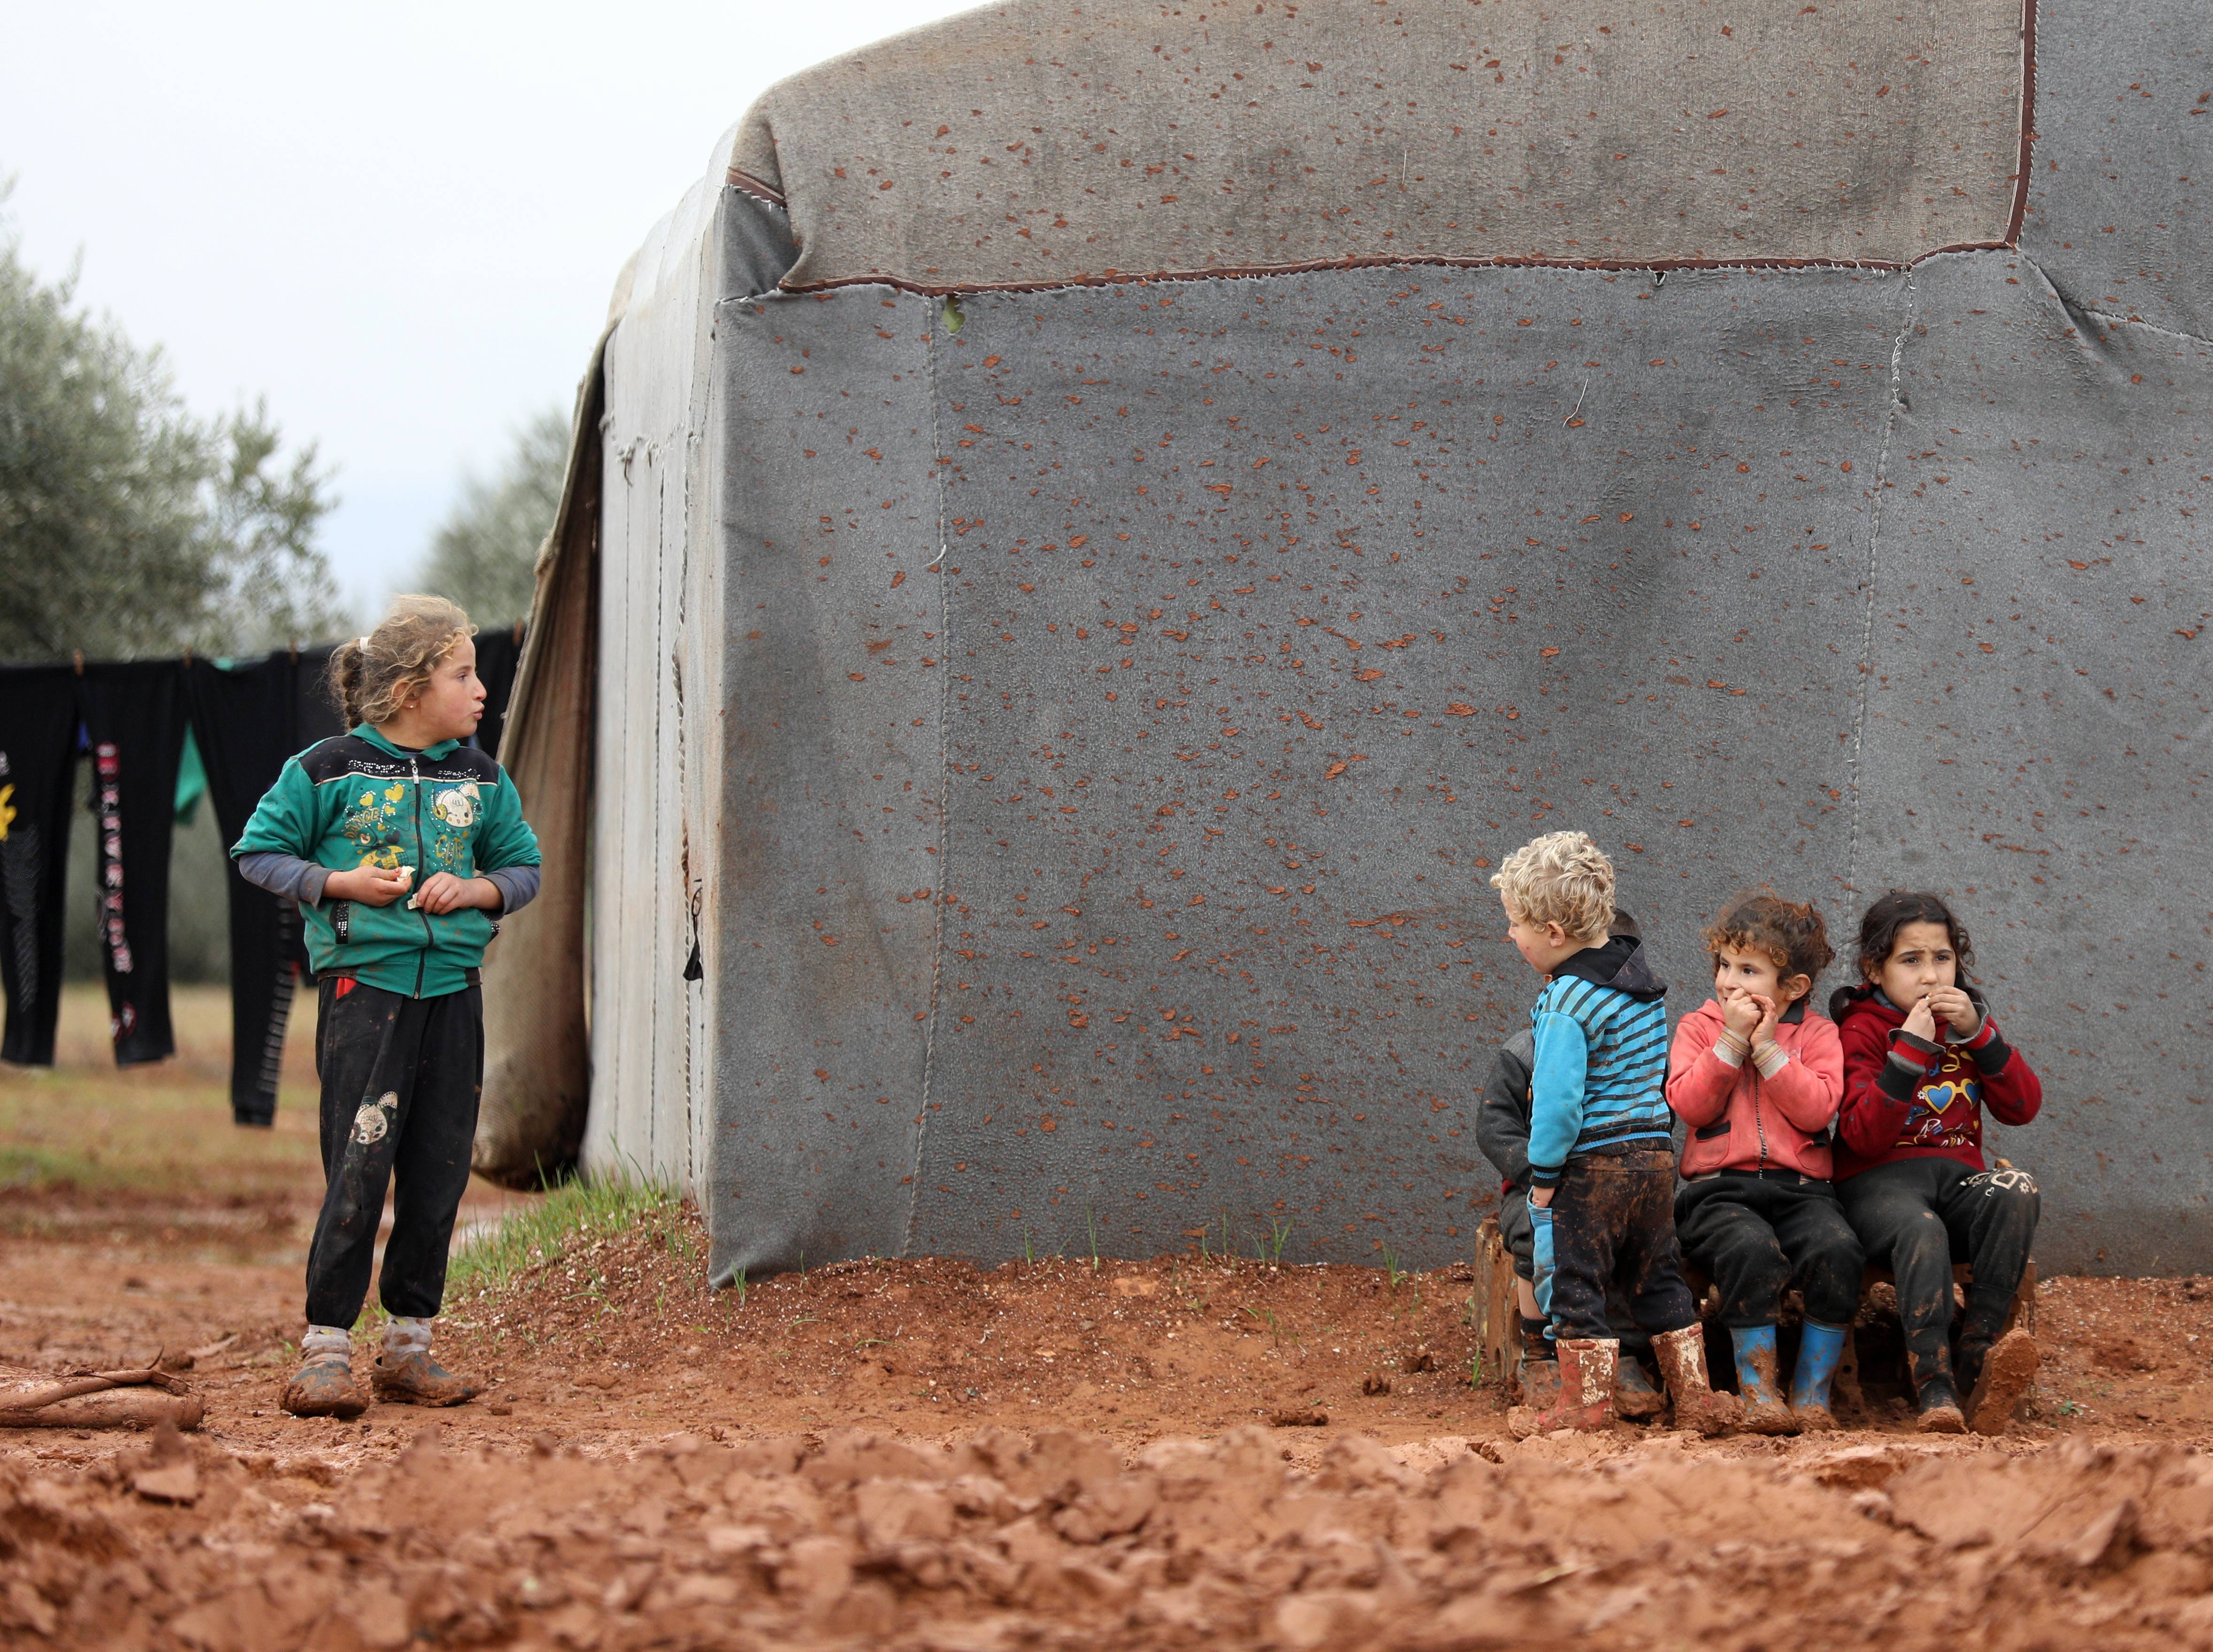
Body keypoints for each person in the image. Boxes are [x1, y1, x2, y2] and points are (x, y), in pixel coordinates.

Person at [233, 596, 542, 1419]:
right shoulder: (325, 769)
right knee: (359, 1167)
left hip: (454, 997)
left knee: (440, 1172)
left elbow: (523, 869)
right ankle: (325, 1352)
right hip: (362, 996)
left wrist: (475, 888)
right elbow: (257, 852)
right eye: (463, 674)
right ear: (410, 689)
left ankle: (409, 1350)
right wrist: (338, 884)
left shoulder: (480, 777)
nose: (482, 690)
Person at [1490, 831, 1737, 1438]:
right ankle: (1696, 1398)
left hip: (1592, 1165)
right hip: (1653, 1158)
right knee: (1658, 1276)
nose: (1510, 936)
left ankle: (1586, 1406)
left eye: (1517, 923)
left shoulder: (1565, 1001)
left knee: (1576, 1281)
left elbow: (1557, 1105)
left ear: (1553, 932)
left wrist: (1544, 1179)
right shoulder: (1639, 986)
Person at [1832, 891, 2043, 1435]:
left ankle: (1979, 1352)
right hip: (1878, 1188)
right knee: (1920, 1227)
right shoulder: (1860, 1029)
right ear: (1873, 969)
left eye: (1942, 958)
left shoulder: (1970, 1028)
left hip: (1957, 1183)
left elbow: (2023, 1107)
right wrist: (1910, 1054)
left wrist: (1980, 1035)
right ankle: (1936, 1385)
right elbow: (1861, 1135)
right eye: (1911, 960)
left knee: (2016, 1186)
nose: (1930, 976)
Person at [1667, 892, 1859, 1434]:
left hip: (1801, 1189)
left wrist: (1771, 1051)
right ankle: (1758, 1392)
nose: (1729, 981)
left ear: (1793, 987)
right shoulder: (1700, 1028)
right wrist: (1731, 1042)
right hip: (1718, 1191)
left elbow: (1819, 1108)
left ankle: (1812, 1394)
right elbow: (1689, 1104)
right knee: (1751, 1249)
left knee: (1838, 1249)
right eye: (1724, 965)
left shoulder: (1819, 1035)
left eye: (1749, 970)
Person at [1478, 912, 1666, 1421]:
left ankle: (1622, 1354)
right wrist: (1541, 1177)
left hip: (1603, 1182)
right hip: (1539, 1188)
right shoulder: (1525, 1052)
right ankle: (1541, 1350)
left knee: (1626, 1244)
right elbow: (1495, 1128)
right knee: (1536, 1238)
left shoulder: (1634, 1048)